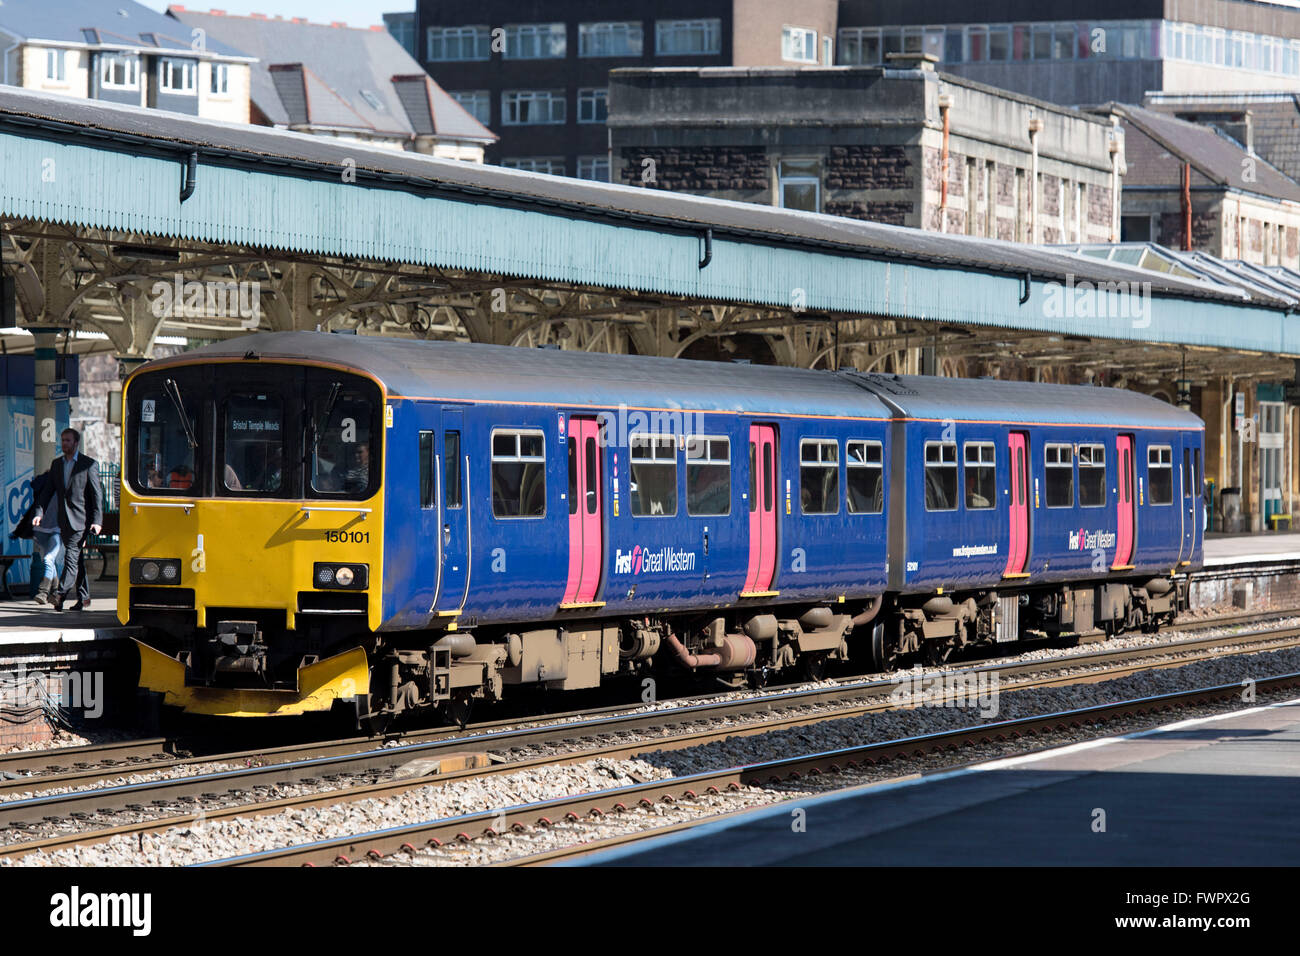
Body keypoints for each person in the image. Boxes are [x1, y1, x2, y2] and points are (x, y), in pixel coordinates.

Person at [32, 428, 103, 613]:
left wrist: (97, 520)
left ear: (76, 442)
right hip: (63, 520)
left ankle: (59, 594)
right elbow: (47, 491)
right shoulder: (57, 465)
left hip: (81, 521)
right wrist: (39, 512)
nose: (64, 443)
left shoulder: (89, 464)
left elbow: (97, 495)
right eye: (62, 440)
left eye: (68, 440)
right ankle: (84, 598)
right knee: (77, 559)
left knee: (71, 556)